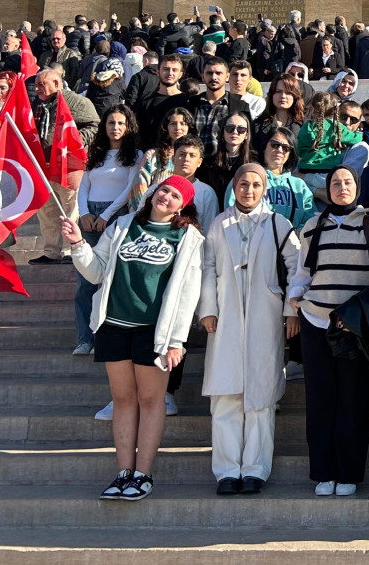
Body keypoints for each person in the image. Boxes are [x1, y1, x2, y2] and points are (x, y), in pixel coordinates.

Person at [62, 175, 204, 501]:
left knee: (151, 400)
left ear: (183, 206)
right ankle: (123, 471)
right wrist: (77, 244)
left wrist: (176, 341)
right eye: (163, 190)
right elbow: (96, 271)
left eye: (174, 195)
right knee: (123, 400)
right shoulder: (123, 224)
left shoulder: (187, 236)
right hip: (113, 324)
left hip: (154, 331)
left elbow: (188, 293)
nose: (165, 196)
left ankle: (143, 474)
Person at [198, 163, 302, 495]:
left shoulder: (277, 223)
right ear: (234, 186)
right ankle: (227, 471)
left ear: (264, 189)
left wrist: (290, 310)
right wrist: (208, 309)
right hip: (225, 318)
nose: (249, 190)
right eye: (244, 184)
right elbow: (208, 267)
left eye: (256, 185)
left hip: (265, 315)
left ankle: (255, 469)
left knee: (260, 396)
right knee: (226, 395)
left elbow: (297, 266)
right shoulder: (219, 223)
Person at [289, 165, 369, 497]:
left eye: (348, 182)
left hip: (352, 328)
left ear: (357, 187)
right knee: (320, 401)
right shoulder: (313, 226)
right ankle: (324, 471)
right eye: (335, 183)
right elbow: (301, 274)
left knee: (352, 401)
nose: (342, 187)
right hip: (315, 322)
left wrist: (358, 315)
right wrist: (294, 306)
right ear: (327, 190)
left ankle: (350, 473)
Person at [74, 106, 145, 356]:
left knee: (111, 278)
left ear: (128, 127)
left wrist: (105, 216)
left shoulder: (136, 155)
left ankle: (106, 337)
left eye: (120, 123)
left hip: (116, 215)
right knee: (86, 280)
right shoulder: (95, 152)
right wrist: (84, 213)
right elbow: (83, 185)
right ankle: (85, 339)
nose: (115, 127)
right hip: (89, 217)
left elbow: (129, 188)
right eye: (111, 123)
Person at [30, 68, 100, 265]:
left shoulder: (76, 102)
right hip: (44, 167)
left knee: (71, 209)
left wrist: (73, 142)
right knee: (47, 211)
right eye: (36, 85)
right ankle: (51, 251)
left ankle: (72, 250)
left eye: (42, 85)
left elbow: (95, 125)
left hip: (69, 167)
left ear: (57, 83)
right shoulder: (39, 103)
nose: (37, 89)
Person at [198, 111, 254, 204]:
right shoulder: (209, 163)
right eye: (230, 128)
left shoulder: (254, 163)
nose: (235, 132)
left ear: (247, 135)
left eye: (241, 129)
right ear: (223, 132)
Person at [252, 74, 305, 156]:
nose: (283, 96)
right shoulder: (257, 124)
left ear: (295, 96)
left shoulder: (304, 125)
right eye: (278, 91)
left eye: (288, 93)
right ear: (271, 94)